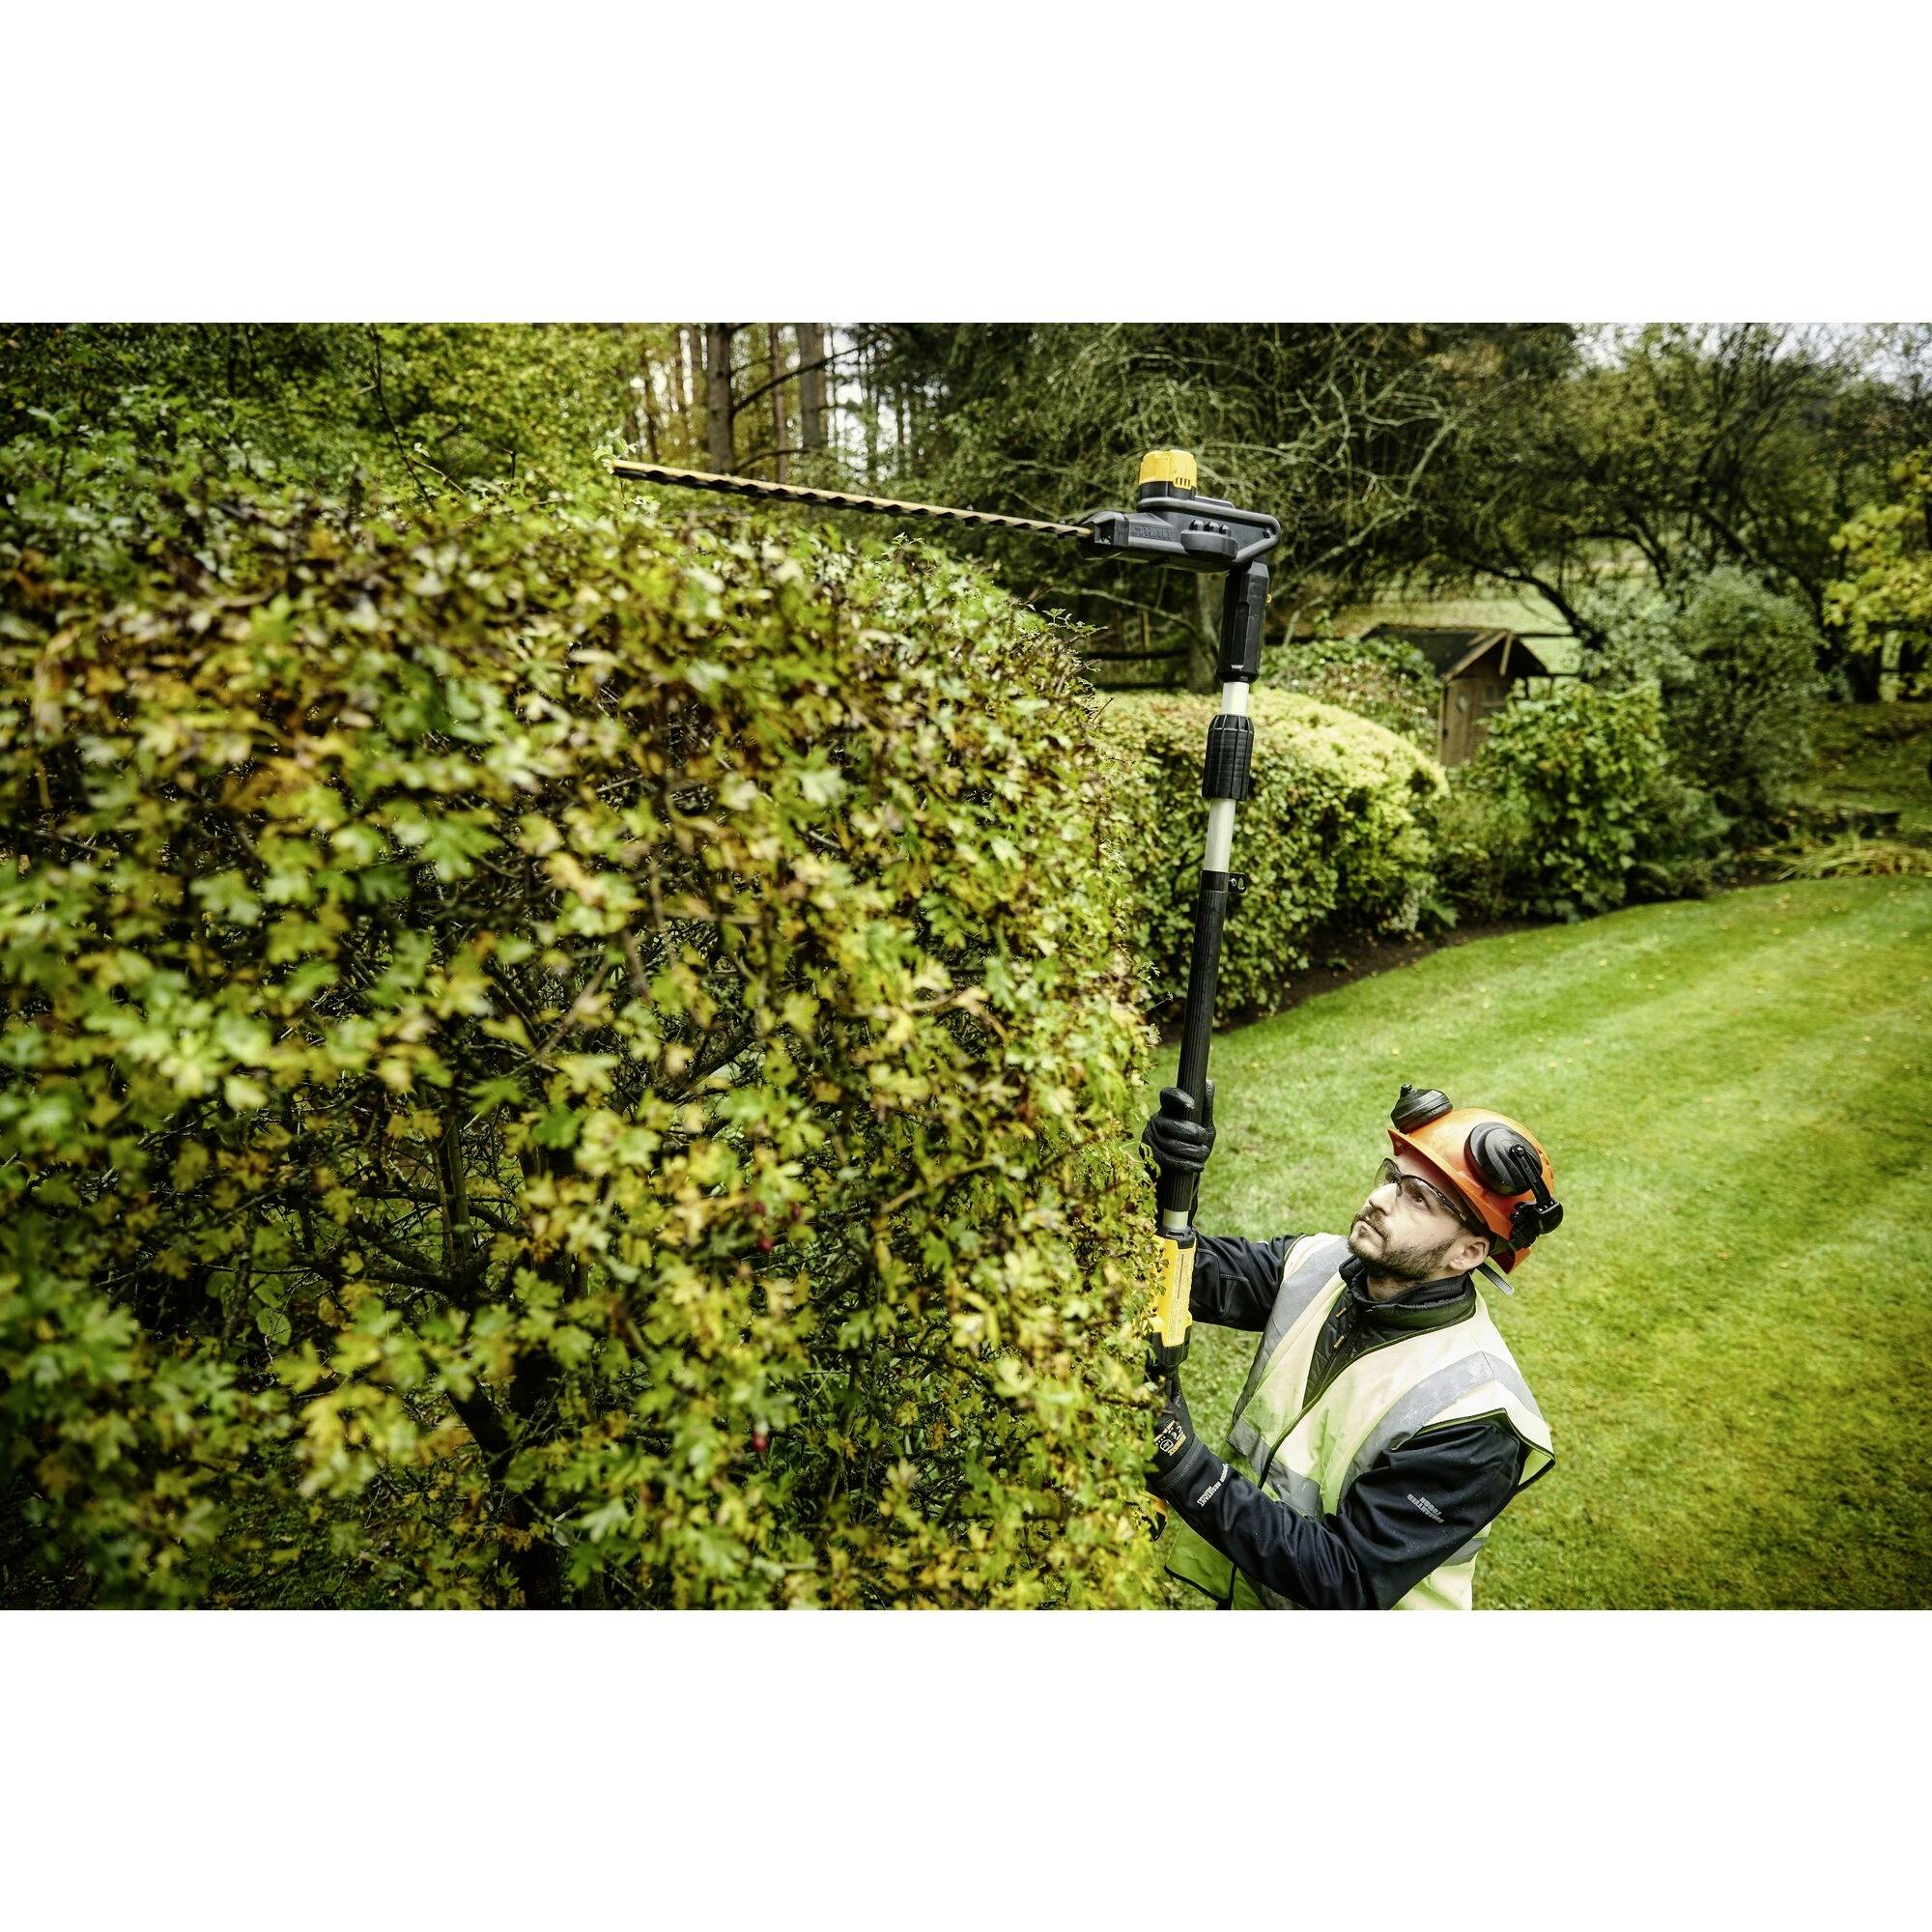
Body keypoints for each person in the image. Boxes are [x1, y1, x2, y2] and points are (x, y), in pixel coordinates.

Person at [1141, 1083, 1561, 1610]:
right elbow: (1176, 1275)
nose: (1379, 1199)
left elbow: (1348, 1579)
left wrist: (1184, 1464)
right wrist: (1164, 1183)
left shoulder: (1475, 1415)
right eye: (1392, 1178)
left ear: (1467, 1253)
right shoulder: (1318, 1268)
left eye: (1417, 1197)